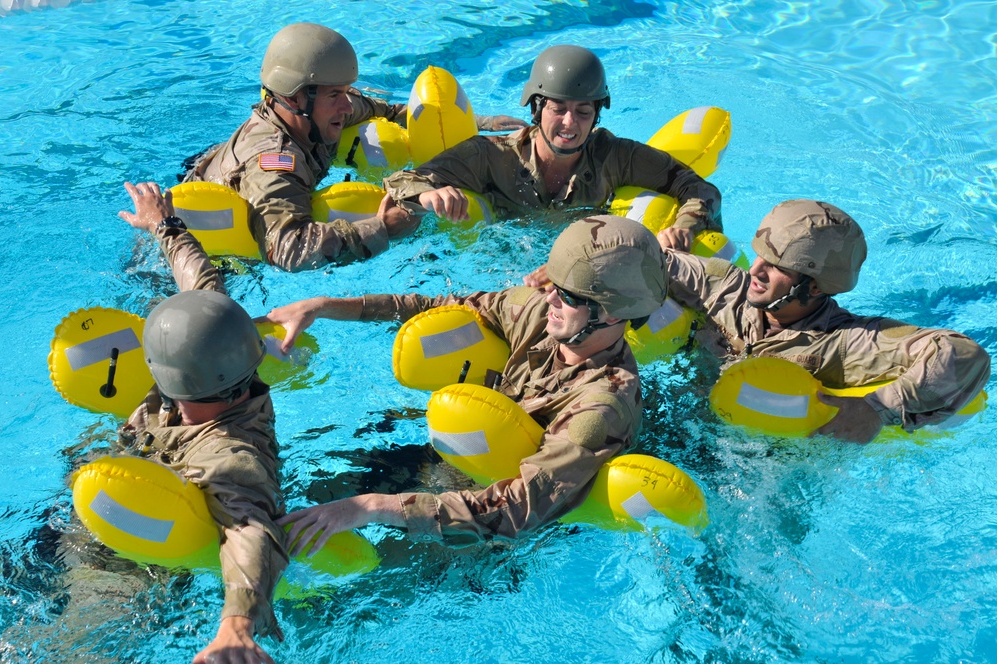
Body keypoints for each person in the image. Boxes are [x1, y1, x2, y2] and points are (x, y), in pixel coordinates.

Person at [259, 215, 667, 550]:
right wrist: (324, 306)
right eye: (552, 287)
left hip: (495, 534)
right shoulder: (536, 316)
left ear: (612, 315)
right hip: (456, 462)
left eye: (570, 297)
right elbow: (434, 307)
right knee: (295, 504)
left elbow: (517, 509)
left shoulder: (601, 407)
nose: (550, 301)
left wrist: (372, 507)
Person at [181, 22, 524, 272]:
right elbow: (287, 249)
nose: (347, 107)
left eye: (346, 91)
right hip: (211, 250)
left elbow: (387, 111)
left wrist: (482, 123)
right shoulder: (274, 163)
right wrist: (383, 228)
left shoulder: (320, 108)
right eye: (335, 95)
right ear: (294, 97)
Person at [115, 182, 287, 663]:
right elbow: (201, 284)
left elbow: (248, 525)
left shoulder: (231, 454)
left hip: (142, 559)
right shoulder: (219, 339)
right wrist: (163, 225)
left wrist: (237, 625)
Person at [661, 198, 991, 443]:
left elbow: (964, 354)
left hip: (763, 461)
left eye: (777, 266)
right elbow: (639, 255)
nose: (756, 271)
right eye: (760, 254)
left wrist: (877, 409)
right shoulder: (722, 286)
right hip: (680, 418)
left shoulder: (845, 341)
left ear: (815, 286)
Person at [382, 44, 722, 251]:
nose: (570, 124)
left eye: (583, 112)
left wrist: (683, 228)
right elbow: (402, 180)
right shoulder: (493, 155)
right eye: (558, 109)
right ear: (535, 109)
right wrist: (427, 196)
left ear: (596, 115)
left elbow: (698, 187)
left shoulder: (615, 156)